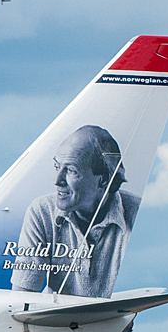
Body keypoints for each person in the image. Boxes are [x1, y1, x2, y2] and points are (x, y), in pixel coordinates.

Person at [8, 125, 138, 298]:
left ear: (104, 179)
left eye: (71, 170)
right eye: (57, 166)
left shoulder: (136, 214)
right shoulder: (42, 212)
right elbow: (21, 300)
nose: (57, 181)